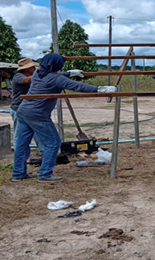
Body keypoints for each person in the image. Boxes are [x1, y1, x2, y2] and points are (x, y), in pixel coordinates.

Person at [12, 53, 116, 182]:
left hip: (23, 111)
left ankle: (18, 174)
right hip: (38, 115)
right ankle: (45, 174)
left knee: (22, 145)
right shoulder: (55, 78)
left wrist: (68, 73)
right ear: (58, 65)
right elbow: (77, 86)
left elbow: (55, 77)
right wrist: (99, 89)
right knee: (53, 143)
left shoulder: (38, 73)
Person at [10, 58, 40, 149]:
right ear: (27, 69)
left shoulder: (32, 77)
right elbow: (26, 80)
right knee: (19, 133)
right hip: (18, 108)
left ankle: (42, 152)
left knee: (36, 131)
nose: (34, 68)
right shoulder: (18, 76)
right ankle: (19, 154)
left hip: (29, 109)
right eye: (32, 67)